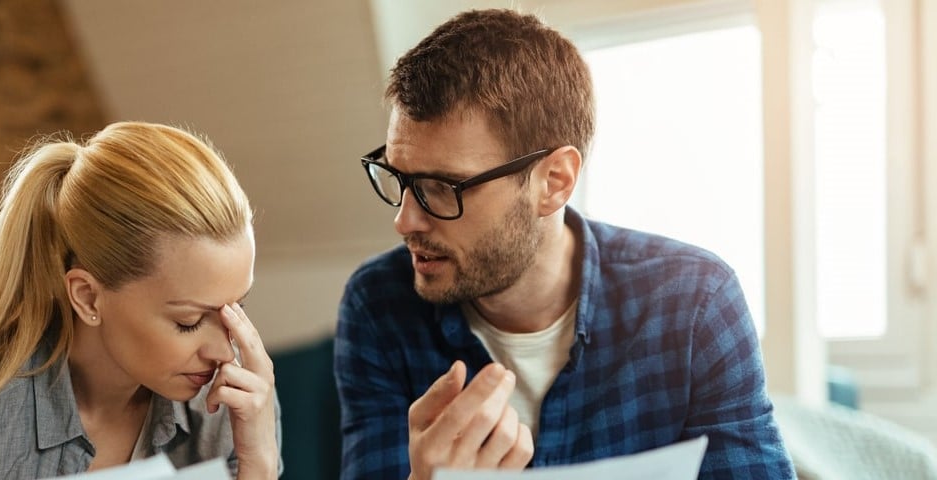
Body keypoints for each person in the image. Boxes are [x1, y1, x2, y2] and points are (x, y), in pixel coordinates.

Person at [335, 9, 794, 480]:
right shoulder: (379, 305)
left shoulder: (696, 301)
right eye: (399, 177)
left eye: (441, 187)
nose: (403, 219)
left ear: (554, 181)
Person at [0, 121, 280, 479]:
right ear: (88, 298)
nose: (224, 351)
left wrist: (258, 464)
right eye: (189, 321)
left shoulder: (238, 404)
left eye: (236, 309)